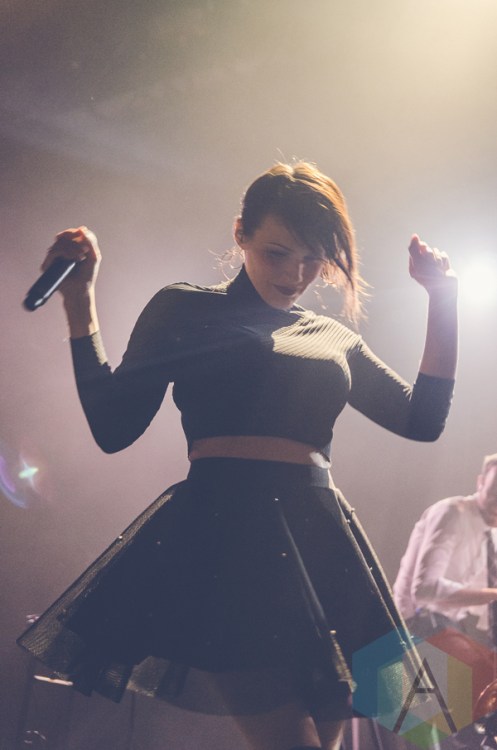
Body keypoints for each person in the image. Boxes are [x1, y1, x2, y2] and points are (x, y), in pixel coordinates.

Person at [17, 162, 458, 750]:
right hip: (225, 540)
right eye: (278, 253)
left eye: (313, 260)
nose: (295, 274)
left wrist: (443, 299)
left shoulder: (333, 337)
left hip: (319, 543)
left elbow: (423, 421)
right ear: (240, 234)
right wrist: (80, 302)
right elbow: (113, 427)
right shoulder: (184, 308)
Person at [391, 454, 497, 750]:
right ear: (480, 482)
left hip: (448, 627)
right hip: (415, 626)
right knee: (483, 679)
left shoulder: (491, 534)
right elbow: (424, 589)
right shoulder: (452, 512)